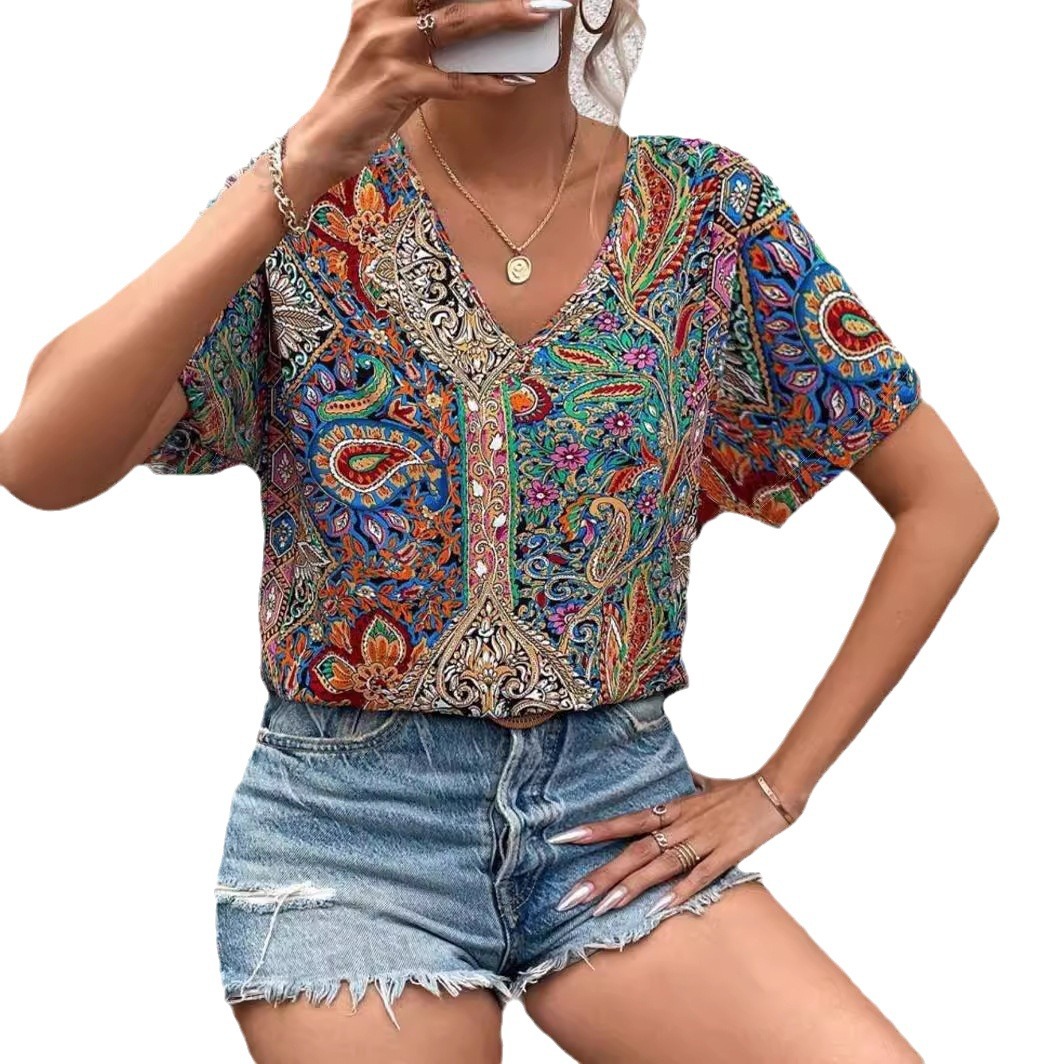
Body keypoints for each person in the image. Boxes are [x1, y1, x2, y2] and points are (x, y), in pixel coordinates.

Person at [0, 1, 998, 1061]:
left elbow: (948, 505)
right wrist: (303, 158)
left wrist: (776, 789)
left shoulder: (710, 211)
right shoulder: (305, 206)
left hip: (618, 812)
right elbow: (40, 464)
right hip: (351, 834)